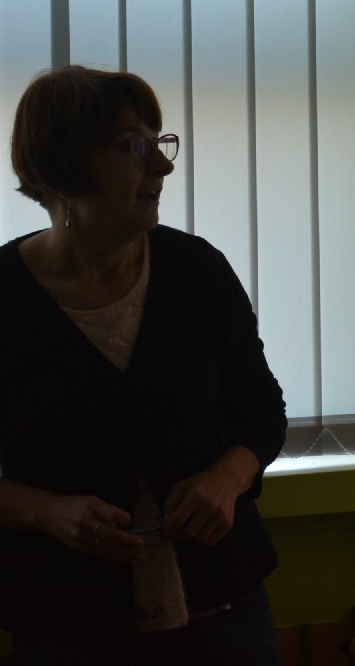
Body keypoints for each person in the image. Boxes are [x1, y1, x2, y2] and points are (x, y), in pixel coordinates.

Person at [0, 66, 288, 665]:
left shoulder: (197, 270)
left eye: (159, 143)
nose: (162, 166)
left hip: (224, 605)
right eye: (131, 147)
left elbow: (261, 413)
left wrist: (225, 480)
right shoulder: (5, 296)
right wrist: (50, 514)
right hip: (68, 617)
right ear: (63, 166)